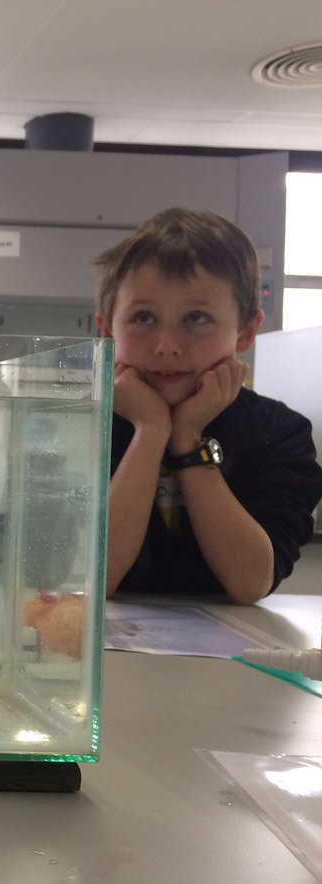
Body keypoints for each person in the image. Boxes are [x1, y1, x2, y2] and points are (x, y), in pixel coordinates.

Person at [95, 207, 322, 604]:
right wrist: (150, 433)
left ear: (246, 331)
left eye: (196, 317)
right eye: (143, 317)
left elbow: (250, 582)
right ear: (107, 330)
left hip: (233, 656)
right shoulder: (80, 423)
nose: (167, 346)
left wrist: (188, 440)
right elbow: (93, 579)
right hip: (103, 654)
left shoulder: (279, 433)